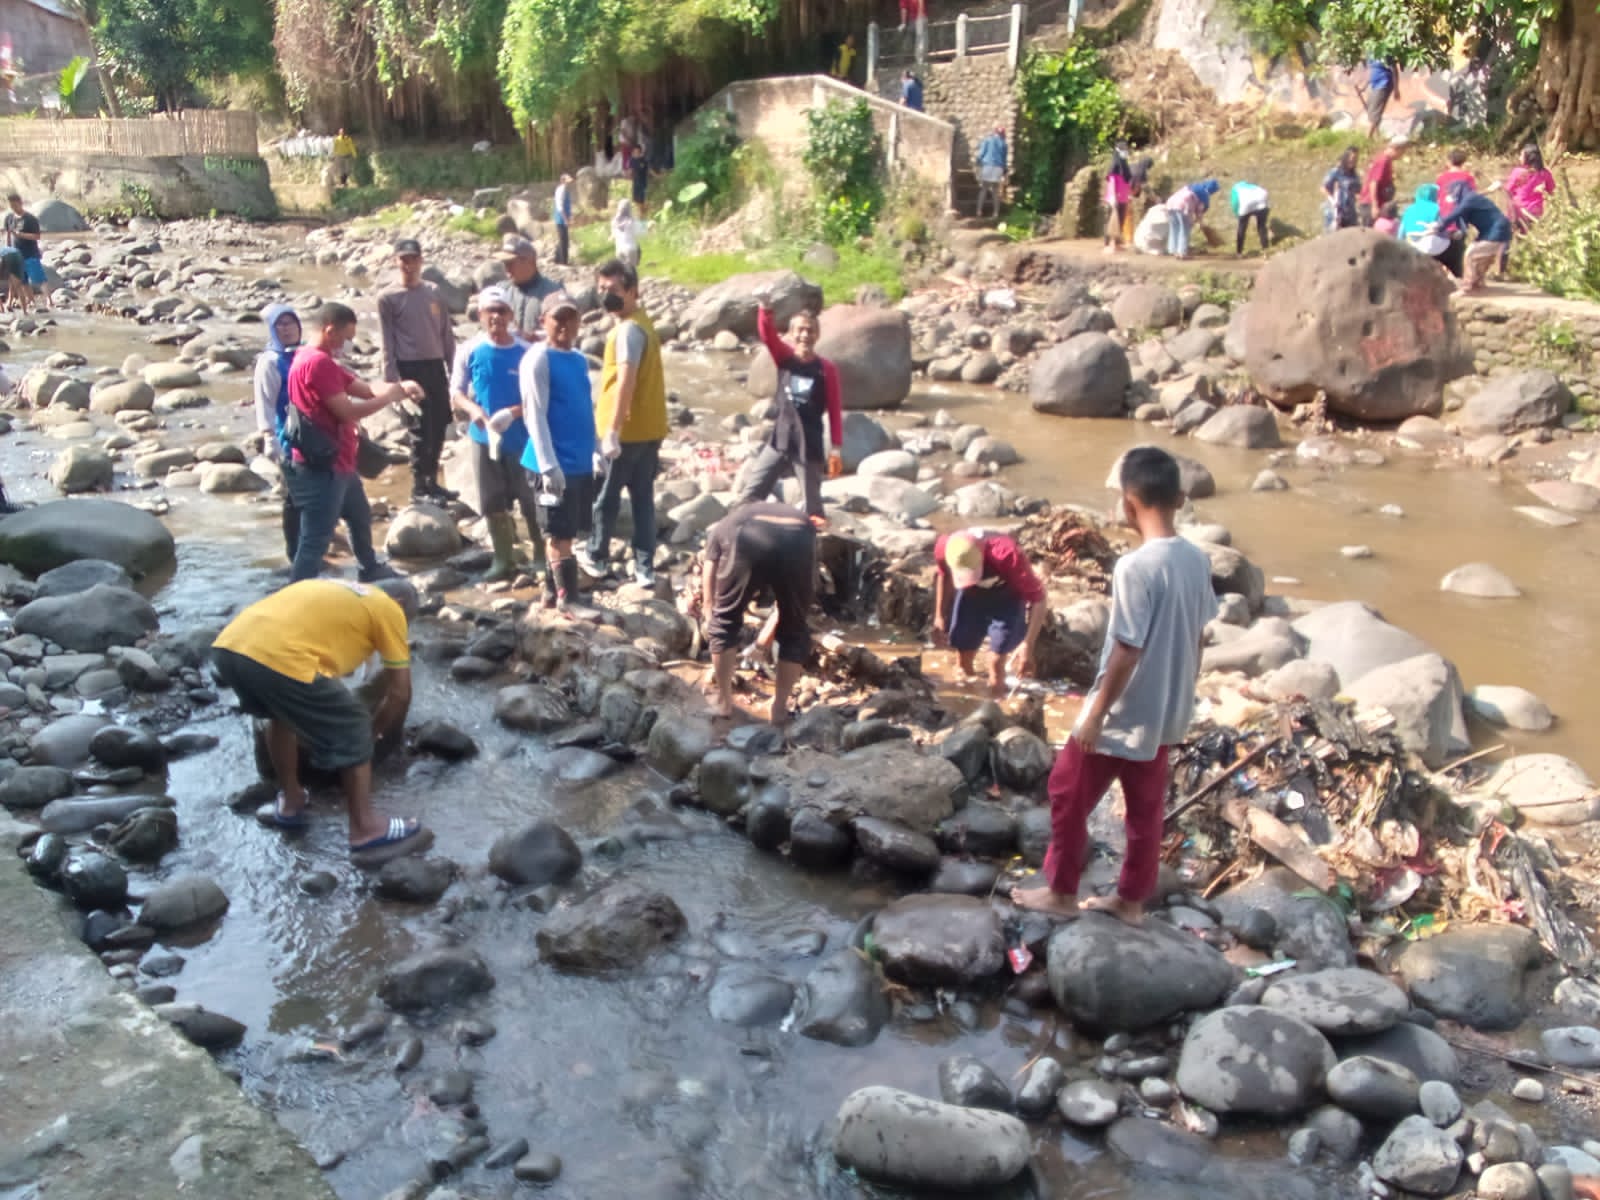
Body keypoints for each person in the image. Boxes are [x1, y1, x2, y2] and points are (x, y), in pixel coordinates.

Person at [1011, 447, 1216, 925]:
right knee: (1145, 811)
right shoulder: (1196, 559)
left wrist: (1096, 715)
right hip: (1165, 711)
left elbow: (1127, 649)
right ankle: (1131, 902)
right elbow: (1199, 636)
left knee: (1066, 792)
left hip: (1123, 712)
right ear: (1179, 499)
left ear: (1129, 503)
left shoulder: (1135, 567)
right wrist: (1181, 691)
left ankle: (1061, 892)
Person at [211, 578, 430, 865]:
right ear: (399, 604)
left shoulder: (342, 589)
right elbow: (400, 693)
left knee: (280, 716)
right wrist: (371, 734)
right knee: (353, 722)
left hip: (230, 648)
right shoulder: (388, 607)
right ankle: (365, 828)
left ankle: (291, 802)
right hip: (277, 657)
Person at [286, 302, 417, 583]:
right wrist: (388, 400)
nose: (348, 345)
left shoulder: (318, 360)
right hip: (323, 466)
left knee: (359, 516)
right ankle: (297, 591)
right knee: (315, 538)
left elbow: (365, 389)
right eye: (346, 338)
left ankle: (369, 567)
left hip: (341, 461)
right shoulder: (316, 363)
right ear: (330, 331)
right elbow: (347, 411)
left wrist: (400, 388)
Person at [580, 258, 667, 586]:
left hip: (625, 433)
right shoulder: (643, 324)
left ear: (633, 291)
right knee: (643, 500)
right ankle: (644, 567)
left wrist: (612, 431)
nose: (606, 296)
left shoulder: (628, 331)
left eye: (614, 289)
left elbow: (626, 381)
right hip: (649, 428)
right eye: (602, 289)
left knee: (606, 498)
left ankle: (596, 556)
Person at [449, 285, 539, 583]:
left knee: (530, 499)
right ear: (480, 315)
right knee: (491, 500)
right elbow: (456, 392)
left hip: (522, 438)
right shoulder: (469, 349)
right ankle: (503, 558)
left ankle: (540, 556)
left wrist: (513, 412)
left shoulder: (526, 352)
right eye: (490, 311)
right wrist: (473, 410)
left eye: (501, 311)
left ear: (511, 314)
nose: (496, 317)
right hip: (483, 438)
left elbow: (541, 397)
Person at [699, 502, 816, 725]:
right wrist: (764, 639)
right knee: (795, 629)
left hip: (747, 536)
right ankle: (779, 709)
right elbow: (791, 604)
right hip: (799, 534)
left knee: (725, 622)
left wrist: (709, 612)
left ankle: (724, 703)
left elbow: (710, 567)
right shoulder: (801, 521)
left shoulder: (725, 526)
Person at [737, 292, 844, 522]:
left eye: (810, 330)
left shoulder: (826, 369)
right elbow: (768, 336)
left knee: (813, 510)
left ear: (817, 335)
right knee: (749, 496)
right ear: (792, 334)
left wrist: (836, 449)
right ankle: (741, 533)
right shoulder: (784, 358)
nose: (805, 335)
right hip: (780, 440)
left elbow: (835, 410)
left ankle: (815, 541)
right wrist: (765, 308)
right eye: (800, 330)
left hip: (809, 445)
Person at [520, 291, 597, 609]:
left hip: (578, 462)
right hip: (551, 464)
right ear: (543, 321)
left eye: (571, 318)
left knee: (569, 531)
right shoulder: (538, 358)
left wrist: (597, 449)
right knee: (558, 535)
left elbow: (584, 408)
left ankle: (552, 594)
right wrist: (548, 465)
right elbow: (534, 414)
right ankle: (569, 599)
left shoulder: (578, 360)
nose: (565, 324)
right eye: (558, 318)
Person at [379, 238, 458, 504]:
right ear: (396, 261)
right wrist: (392, 381)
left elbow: (446, 333)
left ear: (421, 261)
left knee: (440, 423)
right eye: (404, 259)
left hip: (435, 365)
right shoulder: (388, 298)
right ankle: (419, 488)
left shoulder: (433, 292)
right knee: (420, 429)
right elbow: (387, 340)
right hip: (409, 368)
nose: (409, 265)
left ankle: (432, 481)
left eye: (413, 259)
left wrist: (454, 369)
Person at [931, 528, 1047, 699]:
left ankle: (996, 700)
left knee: (996, 661)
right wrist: (939, 616)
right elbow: (943, 575)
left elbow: (1039, 598)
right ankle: (968, 700)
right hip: (971, 596)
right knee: (963, 654)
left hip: (1007, 597)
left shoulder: (1006, 554)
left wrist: (1027, 644)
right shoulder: (945, 548)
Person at [254, 304, 303, 563]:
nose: (286, 329)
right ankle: (295, 553)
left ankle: (313, 545)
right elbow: (264, 401)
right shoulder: (270, 361)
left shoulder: (305, 354)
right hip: (287, 433)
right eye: (280, 324)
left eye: (290, 323)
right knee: (293, 496)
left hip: (313, 432)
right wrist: (268, 436)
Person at [1494, 142, 1556, 272]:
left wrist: (1500, 186)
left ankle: (1501, 271)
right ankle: (1523, 269)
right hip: (1533, 213)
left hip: (1516, 211)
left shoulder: (1518, 172)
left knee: (1506, 240)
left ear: (1528, 157)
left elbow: (1509, 189)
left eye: (1521, 155)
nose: (1519, 157)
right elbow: (1551, 191)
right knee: (1525, 241)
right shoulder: (1545, 173)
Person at [1441, 190, 1513, 294]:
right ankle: (1477, 283)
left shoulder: (1469, 199)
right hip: (1491, 231)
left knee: (1470, 254)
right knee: (1482, 257)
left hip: (1496, 230)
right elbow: (1462, 223)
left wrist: (1438, 226)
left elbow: (1454, 215)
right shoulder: (1470, 200)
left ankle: (1467, 287)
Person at [495, 235, 562, 336]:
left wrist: (536, 336)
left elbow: (562, 332)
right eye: (504, 263)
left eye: (510, 263)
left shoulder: (553, 293)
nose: (506, 268)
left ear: (530, 262)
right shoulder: (500, 291)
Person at [5, 193, 48, 310]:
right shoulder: (9, 218)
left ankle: (49, 300)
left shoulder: (30, 219)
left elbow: (37, 236)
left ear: (20, 203)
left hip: (30, 253)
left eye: (15, 205)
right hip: (16, 255)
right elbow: (8, 235)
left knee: (39, 279)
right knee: (23, 282)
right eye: (11, 206)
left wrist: (21, 235)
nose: (13, 208)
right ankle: (31, 301)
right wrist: (8, 251)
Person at [1164, 179, 1218, 260]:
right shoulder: (1204, 194)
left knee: (1174, 228)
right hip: (1182, 206)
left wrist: (1194, 219)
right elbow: (1200, 211)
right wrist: (1201, 223)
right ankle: (1182, 253)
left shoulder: (1192, 186)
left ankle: (1172, 250)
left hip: (1170, 204)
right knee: (1184, 230)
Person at [1359, 137, 1407, 227]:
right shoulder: (1383, 161)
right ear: (1397, 148)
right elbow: (1373, 183)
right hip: (1370, 204)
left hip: (1378, 203)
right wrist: (1374, 206)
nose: (1402, 155)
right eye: (1403, 151)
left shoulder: (1386, 160)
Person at [1322, 147, 1362, 232]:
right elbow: (1323, 188)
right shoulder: (1336, 172)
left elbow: (1358, 192)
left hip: (1349, 213)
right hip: (1335, 211)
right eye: (1352, 158)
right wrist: (1332, 200)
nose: (1354, 161)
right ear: (1346, 158)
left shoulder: (1354, 176)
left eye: (1356, 159)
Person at [1362, 56, 1401, 138]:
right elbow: (1370, 72)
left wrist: (1396, 89)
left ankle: (1368, 137)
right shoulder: (1371, 54)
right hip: (1374, 85)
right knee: (1370, 108)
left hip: (1384, 84)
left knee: (1376, 109)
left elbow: (1394, 71)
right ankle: (1377, 136)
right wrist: (1364, 86)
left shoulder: (1386, 54)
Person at [1230, 179, 1271, 255]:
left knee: (1242, 228)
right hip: (1262, 198)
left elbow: (1234, 203)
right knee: (1262, 226)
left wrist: (1237, 214)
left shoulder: (1235, 188)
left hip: (1246, 203)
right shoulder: (1253, 186)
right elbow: (1265, 196)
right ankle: (1266, 251)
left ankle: (1239, 252)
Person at [1103, 145, 1132, 253]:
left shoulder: (1125, 168)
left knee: (1121, 221)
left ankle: (1117, 244)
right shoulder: (1114, 168)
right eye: (1123, 151)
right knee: (1113, 222)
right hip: (1115, 199)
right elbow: (1112, 184)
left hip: (1123, 199)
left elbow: (1127, 183)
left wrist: (1128, 195)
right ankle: (1111, 244)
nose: (1125, 153)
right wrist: (1113, 197)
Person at [976, 125, 1008, 220]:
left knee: (984, 189)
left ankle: (979, 211)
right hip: (998, 168)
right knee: (995, 191)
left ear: (995, 132)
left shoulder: (987, 140)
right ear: (1003, 134)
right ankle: (996, 213)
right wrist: (1004, 171)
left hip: (988, 165)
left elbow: (981, 154)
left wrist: (978, 163)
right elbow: (1004, 159)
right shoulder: (1004, 144)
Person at [1436, 147, 1476, 220]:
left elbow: (1437, 198)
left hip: (1444, 216)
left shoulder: (1441, 178)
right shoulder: (1468, 177)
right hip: (1461, 216)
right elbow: (1473, 196)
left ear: (1449, 162)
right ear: (1463, 162)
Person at [1125, 154, 1153, 245]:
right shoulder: (1141, 172)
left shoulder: (1132, 165)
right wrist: (1154, 197)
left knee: (1126, 215)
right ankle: (1128, 239)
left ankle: (1126, 238)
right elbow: (1144, 187)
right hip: (1127, 191)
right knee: (1128, 215)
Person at [612, 199, 641, 269]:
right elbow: (638, 233)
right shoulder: (633, 220)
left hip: (619, 249)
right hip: (631, 248)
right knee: (631, 271)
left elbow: (614, 235)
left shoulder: (614, 221)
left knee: (621, 272)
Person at [552, 173, 574, 266]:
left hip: (564, 217)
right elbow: (560, 207)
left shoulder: (565, 190)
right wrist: (565, 219)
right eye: (567, 180)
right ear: (563, 181)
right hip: (561, 218)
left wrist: (570, 217)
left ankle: (559, 259)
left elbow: (568, 205)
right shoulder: (561, 190)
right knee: (563, 239)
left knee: (564, 239)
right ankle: (563, 261)